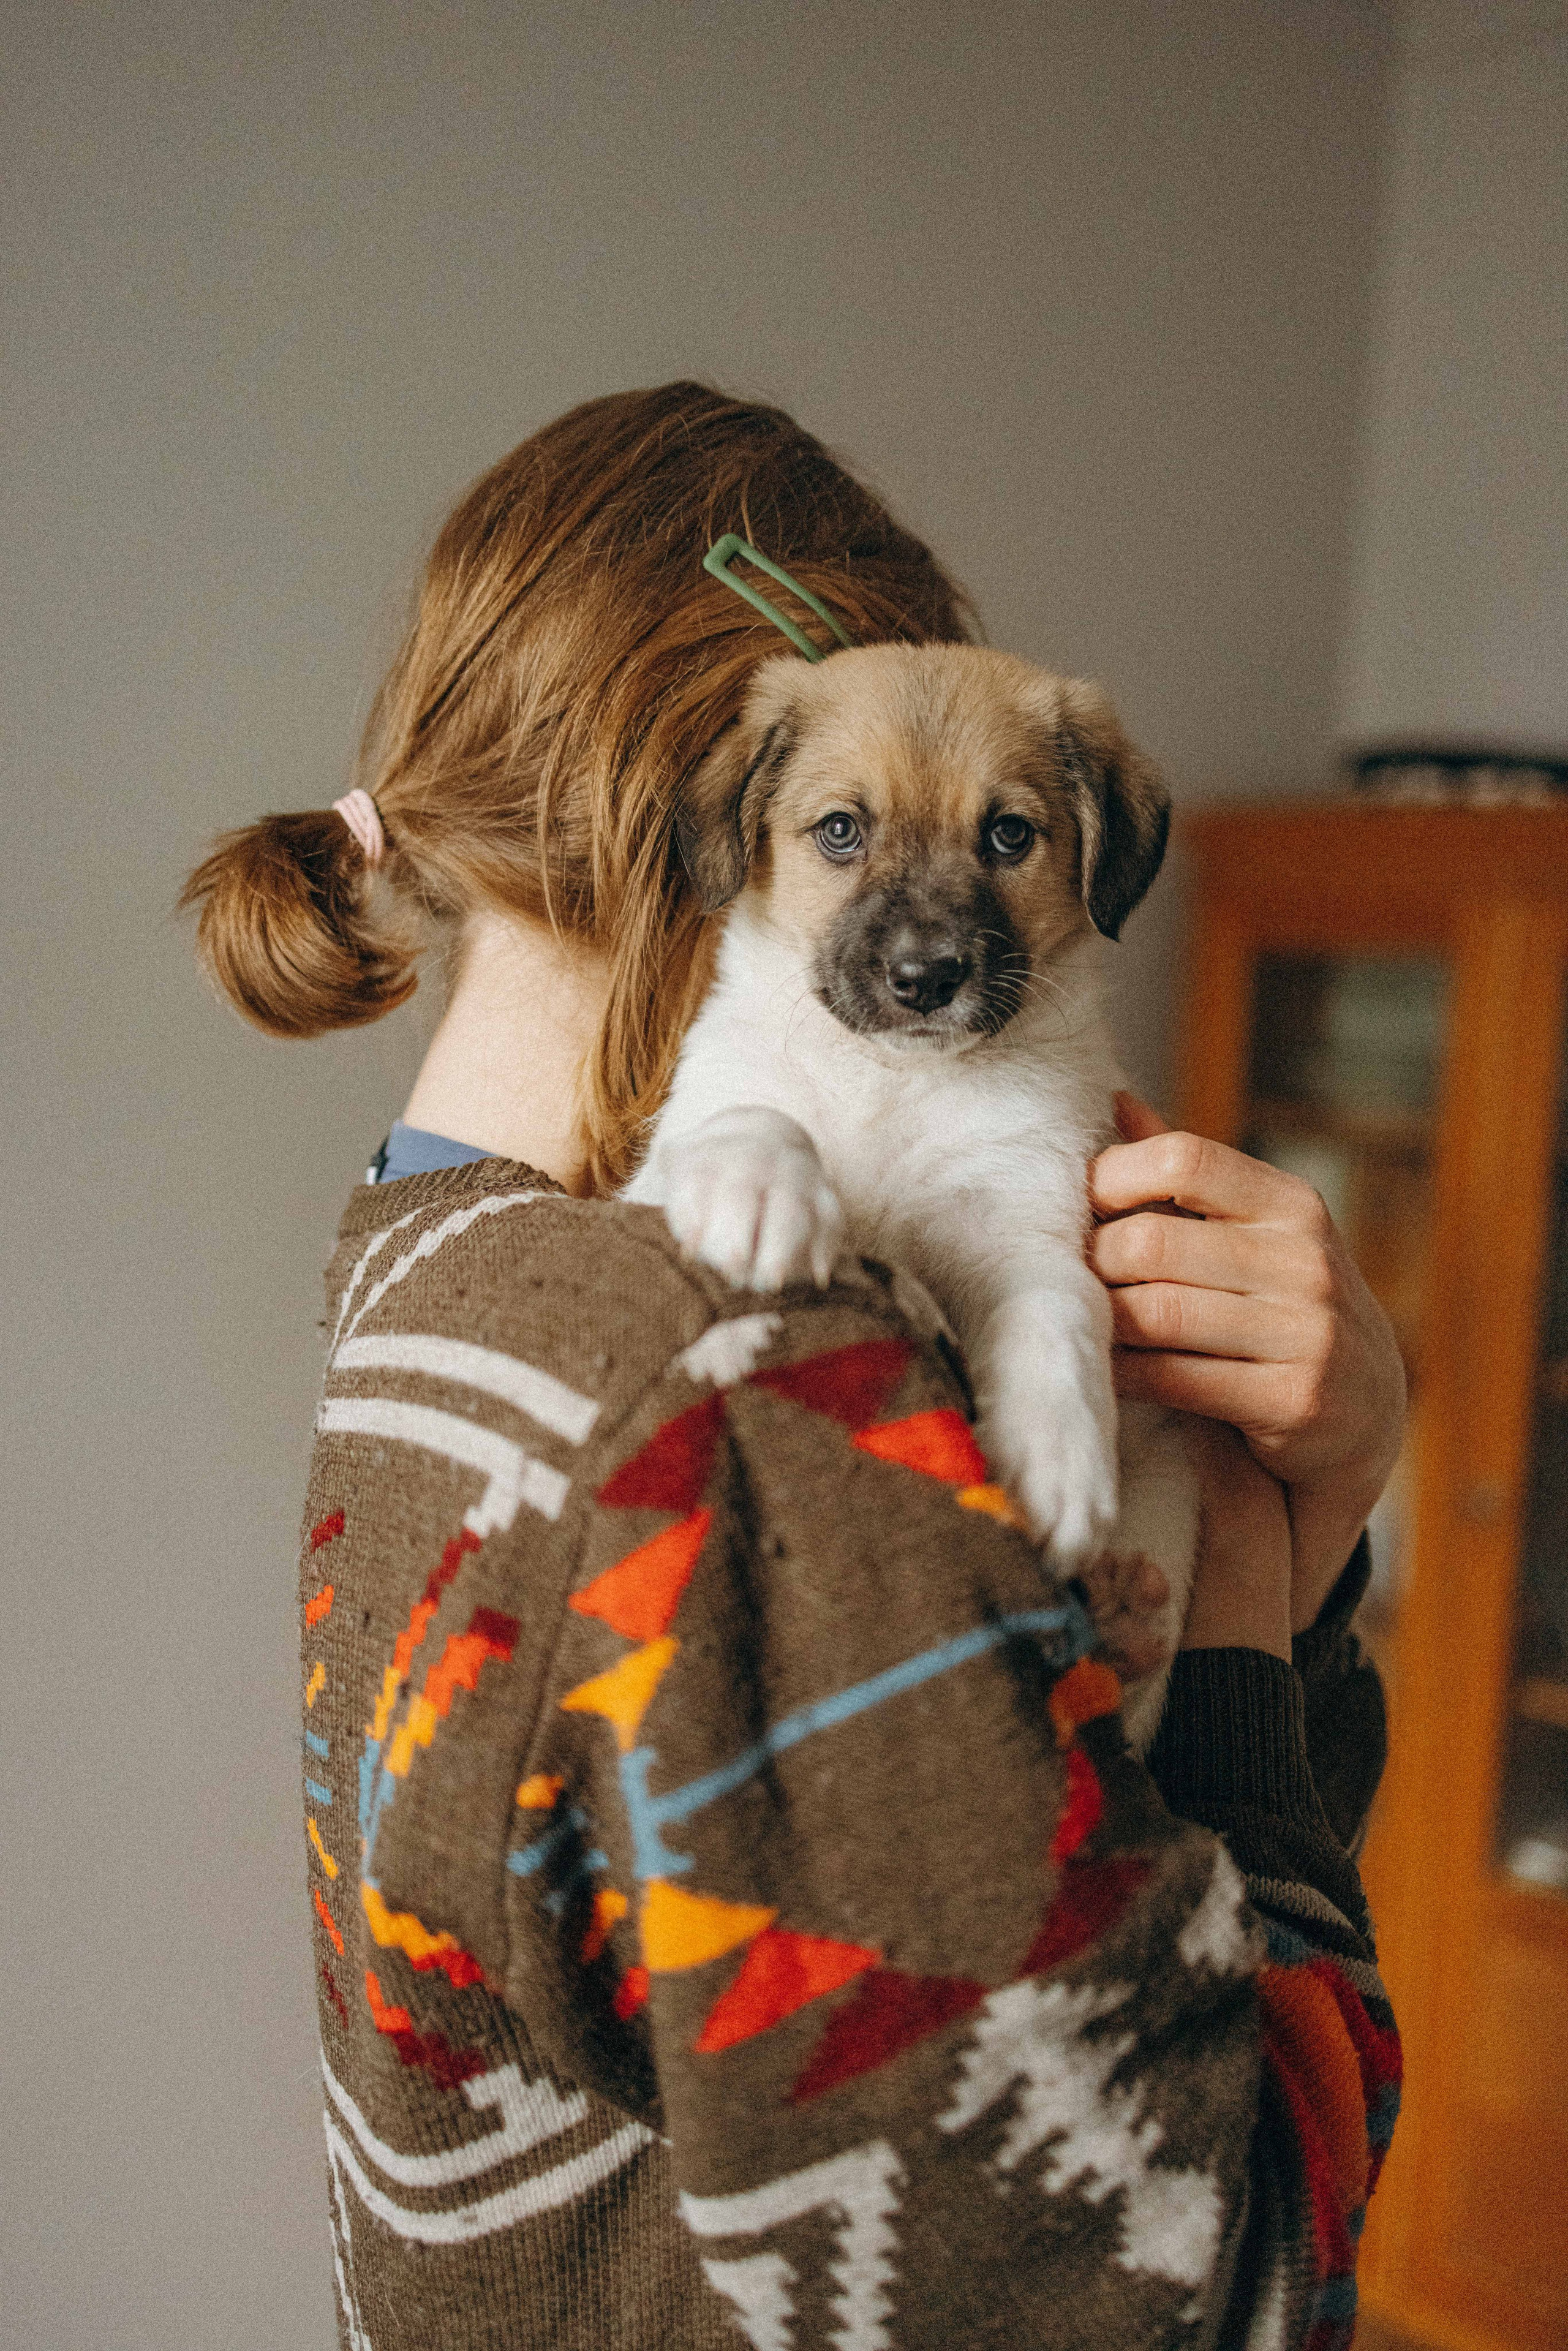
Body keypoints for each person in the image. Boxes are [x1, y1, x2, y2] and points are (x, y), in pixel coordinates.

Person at [183, 383, 1403, 2351]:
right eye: (851, 829)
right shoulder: (751, 1394)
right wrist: (1265, 1551)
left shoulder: (423, 1269)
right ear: (713, 823)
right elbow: (1209, 2282)